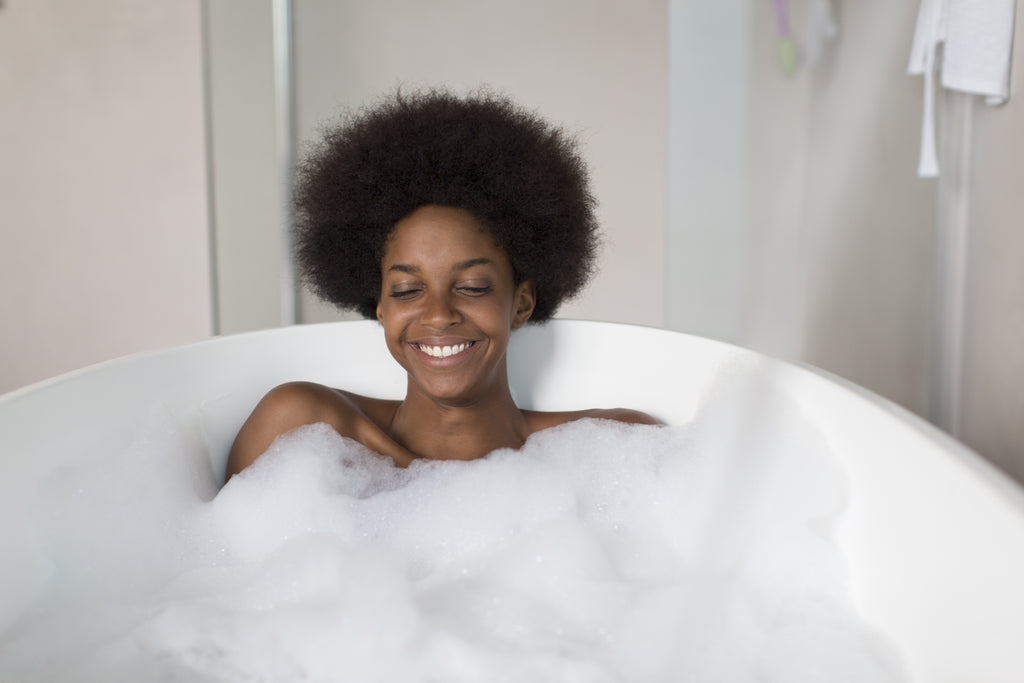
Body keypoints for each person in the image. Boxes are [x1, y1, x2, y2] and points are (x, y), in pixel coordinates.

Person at [226, 89, 659, 480]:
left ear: (522, 303)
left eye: (471, 286)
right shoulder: (303, 433)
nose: (438, 314)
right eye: (406, 290)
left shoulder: (617, 450)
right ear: (380, 306)